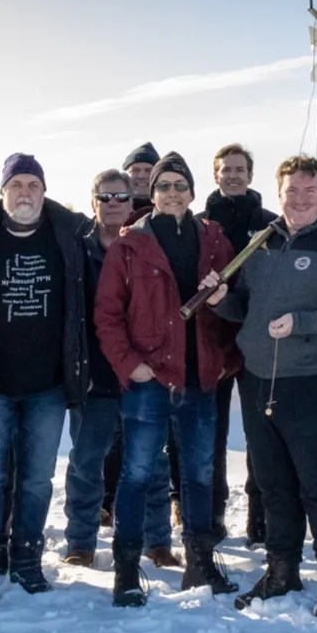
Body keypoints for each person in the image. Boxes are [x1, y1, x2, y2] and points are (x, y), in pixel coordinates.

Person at [218, 155, 317, 617]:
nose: (300, 199)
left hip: (312, 379)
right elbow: (244, 308)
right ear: (279, 192)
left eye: (310, 190)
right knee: (272, 484)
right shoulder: (260, 243)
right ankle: (281, 570)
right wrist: (223, 300)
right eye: (292, 191)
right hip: (259, 378)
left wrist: (303, 323)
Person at [95, 153, 241, 604]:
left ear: (193, 193)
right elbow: (107, 314)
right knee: (137, 473)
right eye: (164, 186)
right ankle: (126, 569)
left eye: (180, 185)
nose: (172, 192)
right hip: (149, 377)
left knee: (199, 474)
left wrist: (222, 351)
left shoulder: (215, 242)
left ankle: (199, 563)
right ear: (152, 194)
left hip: (199, 377)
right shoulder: (129, 245)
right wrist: (128, 364)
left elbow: (237, 308)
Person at [0, 154, 90, 606]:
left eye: (33, 183)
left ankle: (27, 560)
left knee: (38, 478)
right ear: (3, 192)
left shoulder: (69, 236)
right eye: (17, 185)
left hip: (48, 384)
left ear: (44, 190)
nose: (24, 192)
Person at [64, 169, 138, 566]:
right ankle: (80, 542)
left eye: (121, 198)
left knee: (146, 463)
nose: (113, 205)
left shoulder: (142, 247)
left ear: (131, 203)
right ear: (93, 201)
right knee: (86, 462)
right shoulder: (75, 250)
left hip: (137, 374)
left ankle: (150, 540)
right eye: (105, 197)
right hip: (91, 375)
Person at [206, 142, 275, 539]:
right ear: (216, 175)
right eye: (225, 169)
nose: (232, 175)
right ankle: (213, 515)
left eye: (239, 169)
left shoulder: (269, 223)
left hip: (258, 340)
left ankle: (259, 519)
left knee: (259, 432)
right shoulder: (200, 223)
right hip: (213, 339)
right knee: (211, 434)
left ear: (250, 175)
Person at [122, 143, 161, 218]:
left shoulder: (169, 212)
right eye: (135, 170)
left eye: (148, 171)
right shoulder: (113, 212)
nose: (141, 176)